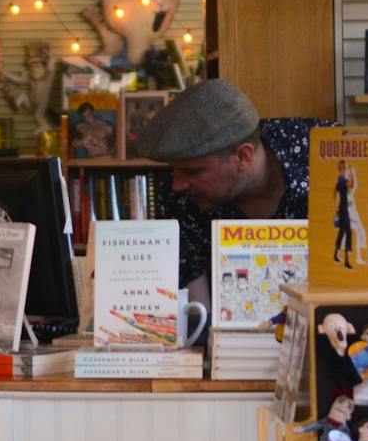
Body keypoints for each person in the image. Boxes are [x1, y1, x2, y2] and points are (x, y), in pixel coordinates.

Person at [134, 78, 330, 305]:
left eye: (192, 172)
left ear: (243, 157)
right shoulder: (177, 196)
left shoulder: (327, 155)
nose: (178, 184)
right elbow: (197, 312)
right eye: (175, 170)